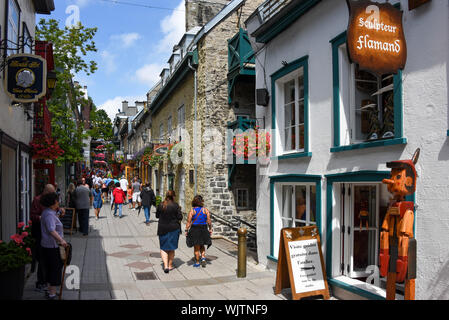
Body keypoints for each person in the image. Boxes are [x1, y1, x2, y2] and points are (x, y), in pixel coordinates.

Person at [39, 192, 68, 300]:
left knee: (51, 268)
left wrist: (60, 212)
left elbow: (53, 222)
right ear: (53, 203)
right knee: (54, 268)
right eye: (57, 201)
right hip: (52, 246)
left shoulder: (48, 212)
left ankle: (50, 290)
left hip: (48, 245)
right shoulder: (49, 214)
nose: (58, 202)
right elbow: (51, 229)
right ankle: (52, 293)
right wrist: (61, 240)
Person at [30, 184, 56, 293]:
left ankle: (47, 282)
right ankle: (40, 282)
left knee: (47, 259)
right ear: (46, 191)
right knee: (42, 259)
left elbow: (55, 209)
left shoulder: (50, 200)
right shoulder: (37, 200)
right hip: (40, 233)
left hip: (48, 236)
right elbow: (33, 215)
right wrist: (41, 217)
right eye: (51, 193)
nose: (53, 195)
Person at [156, 190, 182, 273]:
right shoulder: (176, 205)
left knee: (163, 247)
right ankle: (170, 265)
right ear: (173, 196)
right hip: (174, 229)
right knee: (171, 247)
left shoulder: (161, 204)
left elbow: (157, 216)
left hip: (162, 228)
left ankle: (165, 266)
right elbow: (180, 217)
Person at [185, 195, 213, 268]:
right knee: (202, 244)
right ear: (201, 202)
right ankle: (203, 258)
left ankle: (197, 262)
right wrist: (210, 229)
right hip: (203, 228)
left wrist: (186, 230)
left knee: (196, 247)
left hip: (195, 229)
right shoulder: (205, 210)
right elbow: (209, 221)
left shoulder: (192, 210)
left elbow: (188, 222)